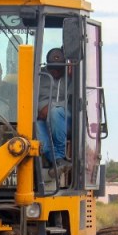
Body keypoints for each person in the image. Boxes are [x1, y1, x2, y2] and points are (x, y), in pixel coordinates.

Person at [37, 47, 71, 176]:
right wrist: (40, 109)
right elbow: (29, 97)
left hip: (65, 117)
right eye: (52, 68)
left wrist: (50, 107)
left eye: (59, 68)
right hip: (42, 118)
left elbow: (73, 101)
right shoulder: (38, 76)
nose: (55, 71)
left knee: (55, 112)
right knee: (36, 132)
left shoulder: (72, 79)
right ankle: (59, 161)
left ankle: (60, 155)